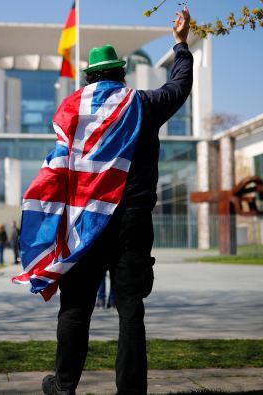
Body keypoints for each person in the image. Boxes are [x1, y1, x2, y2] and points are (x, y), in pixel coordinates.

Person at [39, 8, 193, 395]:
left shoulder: (71, 110)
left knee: (75, 307)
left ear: (90, 77)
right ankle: (130, 391)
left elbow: (59, 166)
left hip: (85, 222)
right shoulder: (142, 103)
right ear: (120, 74)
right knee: (130, 312)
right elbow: (180, 85)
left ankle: (64, 384)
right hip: (132, 222)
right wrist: (180, 44)